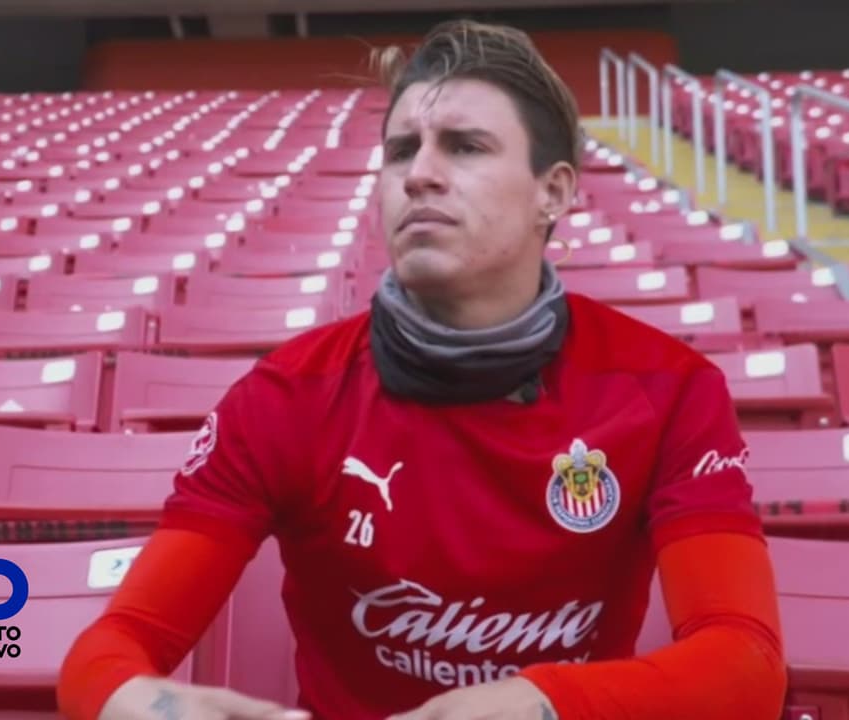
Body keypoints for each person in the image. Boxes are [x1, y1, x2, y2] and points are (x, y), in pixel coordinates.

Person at [57, 19, 787, 720]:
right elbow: (112, 648)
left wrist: (544, 704)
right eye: (402, 150)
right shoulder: (284, 397)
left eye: (465, 147)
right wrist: (143, 703)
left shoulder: (670, 389)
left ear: (554, 193)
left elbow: (746, 666)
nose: (420, 175)